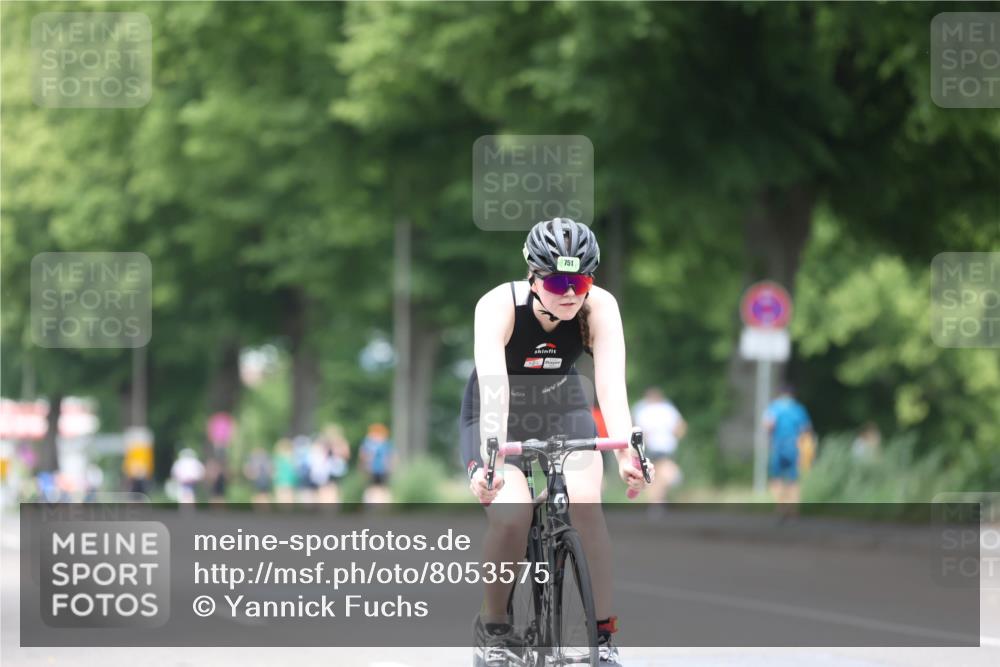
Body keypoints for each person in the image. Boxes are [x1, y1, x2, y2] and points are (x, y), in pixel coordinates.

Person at [460, 218, 651, 666]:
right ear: (533, 277)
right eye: (558, 283)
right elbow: (494, 391)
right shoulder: (498, 306)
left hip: (562, 407)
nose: (570, 294)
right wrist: (490, 462)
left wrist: (628, 452)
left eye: (580, 282)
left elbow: (611, 386)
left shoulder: (599, 307)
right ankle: (495, 628)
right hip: (497, 414)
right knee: (512, 515)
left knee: (585, 502)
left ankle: (603, 637)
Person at [632, 387, 686, 511]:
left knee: (658, 476)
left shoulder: (666, 409)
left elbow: (680, 426)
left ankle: (657, 502)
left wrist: (674, 436)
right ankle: (657, 502)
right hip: (650, 448)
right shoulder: (642, 408)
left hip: (664, 448)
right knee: (655, 475)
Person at [763, 384, 813, 513]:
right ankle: (793, 508)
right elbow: (806, 429)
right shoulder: (798, 408)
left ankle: (780, 505)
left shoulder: (774, 407)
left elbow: (768, 424)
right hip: (794, 446)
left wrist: (770, 437)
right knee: (793, 479)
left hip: (778, 446)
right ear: (793, 395)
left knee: (776, 477)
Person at [360, 423, 393, 504]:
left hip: (382, 469)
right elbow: (363, 455)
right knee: (373, 488)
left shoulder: (385, 443)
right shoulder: (368, 443)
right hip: (372, 469)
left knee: (382, 488)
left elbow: (390, 456)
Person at [272, 439, 297, 504]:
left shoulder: (277, 458)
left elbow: (274, 472)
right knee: (289, 499)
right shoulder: (291, 457)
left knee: (282, 499)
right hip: (288, 480)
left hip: (281, 481)